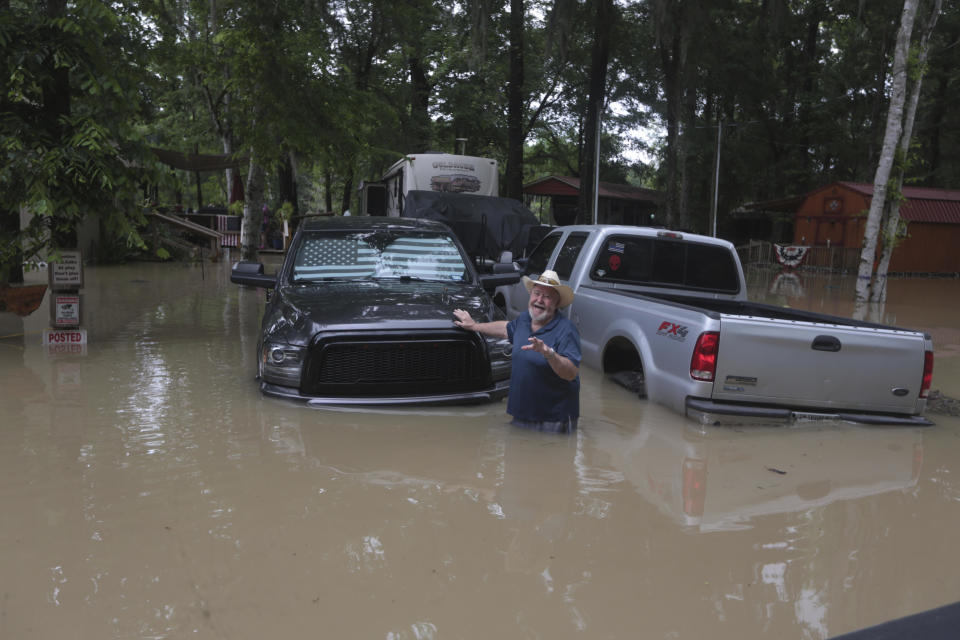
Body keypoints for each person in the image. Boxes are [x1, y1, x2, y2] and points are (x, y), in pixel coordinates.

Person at [453, 269, 581, 433]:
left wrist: (549, 354)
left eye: (547, 297)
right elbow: (506, 328)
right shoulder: (524, 319)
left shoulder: (566, 330)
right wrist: (474, 326)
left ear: (556, 303)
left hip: (553, 419)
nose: (539, 300)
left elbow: (570, 373)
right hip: (521, 414)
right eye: (537, 293)